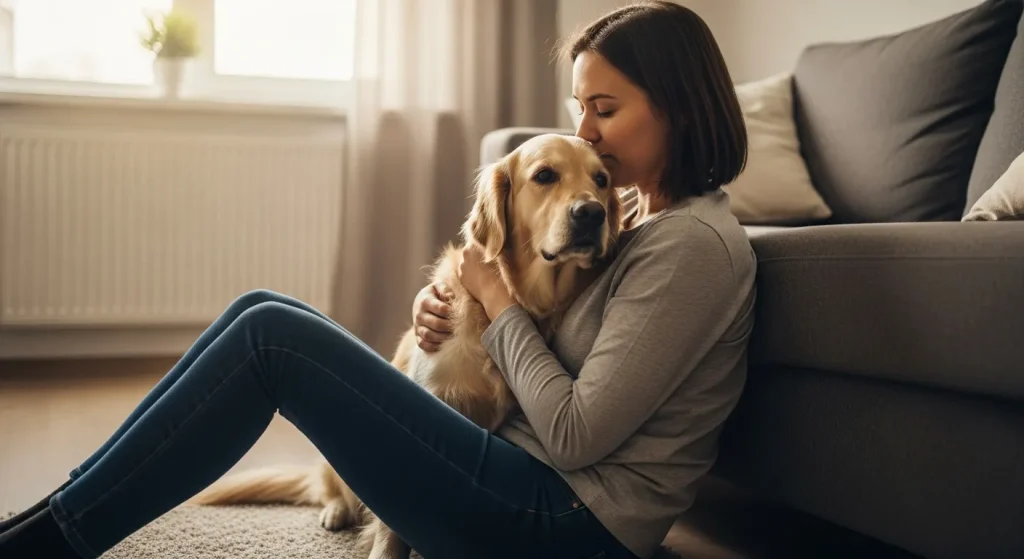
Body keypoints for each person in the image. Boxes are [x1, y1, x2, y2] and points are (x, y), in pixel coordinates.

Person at [0, 2, 755, 558]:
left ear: (679, 110)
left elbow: (576, 430)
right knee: (265, 308)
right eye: (579, 110)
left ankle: (45, 542)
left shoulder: (693, 247)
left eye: (606, 110)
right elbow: (546, 320)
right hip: (509, 469)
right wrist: (451, 307)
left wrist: (493, 305)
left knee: (273, 338)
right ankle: (58, 513)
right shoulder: (636, 221)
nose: (586, 131)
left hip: (562, 524)